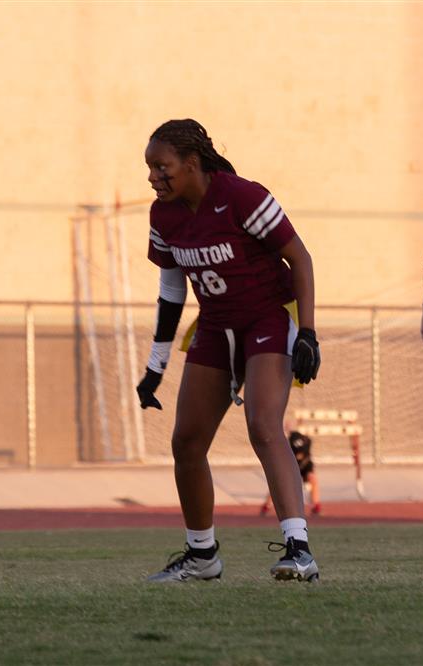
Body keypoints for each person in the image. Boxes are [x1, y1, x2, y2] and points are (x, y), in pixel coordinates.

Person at [135, 119, 322, 583]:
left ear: (192, 163)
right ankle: (202, 555)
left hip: (267, 317)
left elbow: (300, 257)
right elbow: (171, 290)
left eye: (163, 167)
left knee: (263, 424)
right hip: (216, 326)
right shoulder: (165, 216)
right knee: (186, 440)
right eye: (150, 168)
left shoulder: (242, 196)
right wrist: (156, 365)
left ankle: (299, 549)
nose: (154, 177)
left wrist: (309, 333)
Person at [260, 421, 321, 516]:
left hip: (305, 465)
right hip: (292, 465)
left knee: (313, 479)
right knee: (279, 484)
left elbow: (304, 451)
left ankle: (316, 505)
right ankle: (266, 506)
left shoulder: (305, 439)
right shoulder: (289, 439)